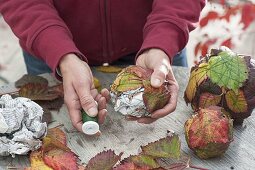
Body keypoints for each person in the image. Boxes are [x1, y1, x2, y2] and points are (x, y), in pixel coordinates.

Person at [0, 1, 205, 132]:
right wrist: (60, 52)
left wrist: (164, 39)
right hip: (50, 42)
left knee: (170, 127)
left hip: (156, 43)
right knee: (46, 128)